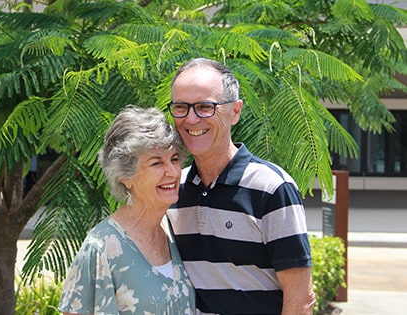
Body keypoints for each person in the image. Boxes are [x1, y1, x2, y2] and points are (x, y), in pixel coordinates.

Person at [167, 58, 316, 315]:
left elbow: (300, 299)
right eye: (181, 107)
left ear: (235, 111)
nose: (191, 119)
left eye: (205, 107)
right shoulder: (171, 189)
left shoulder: (272, 188)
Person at [59, 105, 195, 315]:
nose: (172, 171)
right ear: (125, 176)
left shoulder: (174, 228)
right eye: (156, 163)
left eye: (174, 159)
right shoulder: (100, 248)